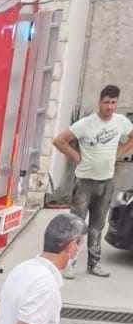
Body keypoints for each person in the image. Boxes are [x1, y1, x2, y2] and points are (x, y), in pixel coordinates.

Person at [53, 85, 133, 278]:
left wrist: (119, 153)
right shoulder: (86, 124)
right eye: (106, 102)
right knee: (76, 225)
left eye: (113, 102)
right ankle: (69, 263)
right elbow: (59, 141)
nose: (110, 106)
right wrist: (75, 156)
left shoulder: (120, 122)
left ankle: (94, 264)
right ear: (99, 102)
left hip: (107, 182)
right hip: (85, 183)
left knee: (97, 226)